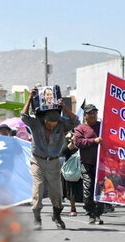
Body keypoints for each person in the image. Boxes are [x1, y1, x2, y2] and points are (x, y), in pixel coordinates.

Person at [21, 88, 79, 230]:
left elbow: (76, 121)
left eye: (54, 126)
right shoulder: (36, 123)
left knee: (56, 191)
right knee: (38, 187)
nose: (51, 128)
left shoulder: (62, 123)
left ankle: (57, 215)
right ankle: (37, 218)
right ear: (44, 120)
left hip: (53, 161)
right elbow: (23, 116)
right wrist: (29, 98)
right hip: (37, 160)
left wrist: (64, 106)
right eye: (49, 125)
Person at [73, 103, 104, 225]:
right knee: (88, 188)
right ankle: (90, 212)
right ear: (85, 115)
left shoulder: (102, 126)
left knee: (101, 190)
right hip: (87, 164)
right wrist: (94, 141)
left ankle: (98, 213)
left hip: (101, 164)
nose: (93, 115)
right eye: (90, 113)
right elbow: (78, 142)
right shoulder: (80, 128)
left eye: (95, 112)